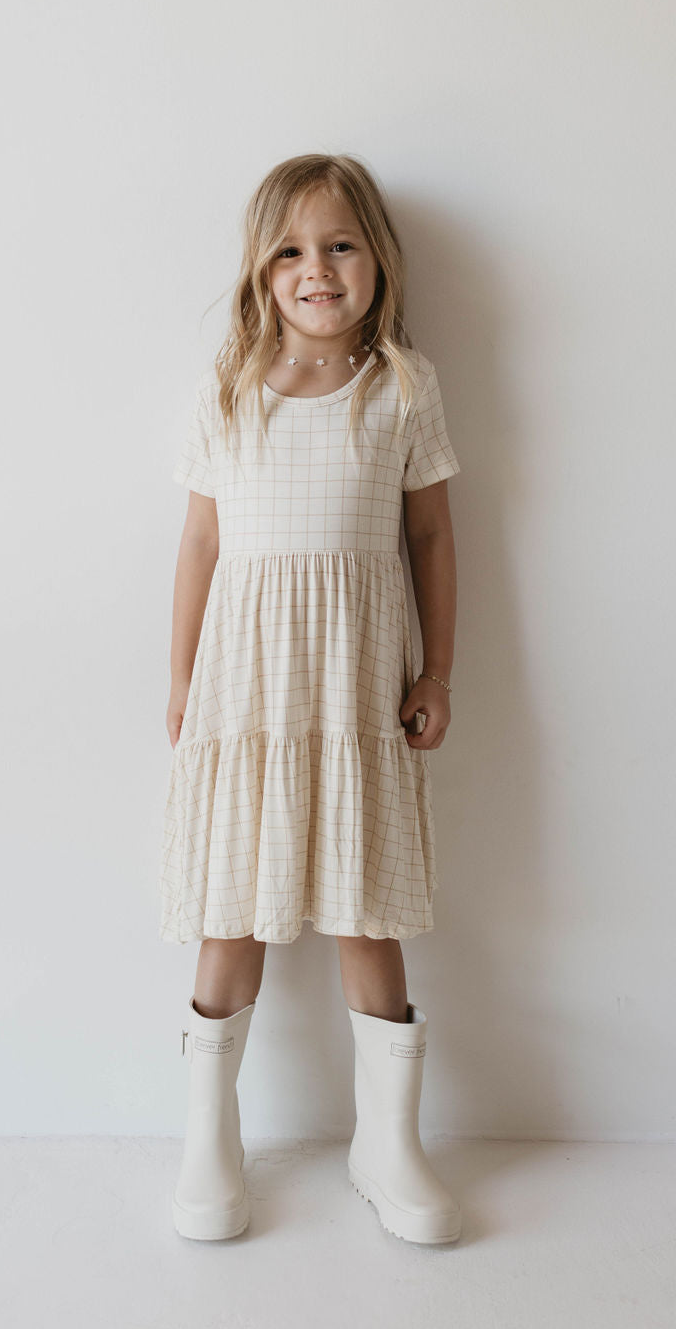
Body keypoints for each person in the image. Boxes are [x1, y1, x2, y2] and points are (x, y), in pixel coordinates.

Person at [161, 152, 462, 1246]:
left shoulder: (402, 388)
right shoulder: (226, 389)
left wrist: (436, 671)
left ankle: (386, 1142)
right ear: (259, 270)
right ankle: (208, 1134)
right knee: (230, 907)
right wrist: (184, 674)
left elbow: (429, 533)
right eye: (290, 249)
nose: (316, 268)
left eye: (338, 244)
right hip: (246, 696)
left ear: (376, 257)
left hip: (354, 694)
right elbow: (200, 538)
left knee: (366, 907)